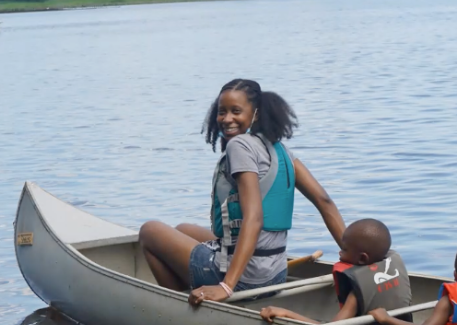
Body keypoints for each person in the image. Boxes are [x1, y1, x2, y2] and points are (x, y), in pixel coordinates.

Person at [139, 79, 346, 306]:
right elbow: (324, 201)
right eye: (222, 112)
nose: (227, 119)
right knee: (183, 230)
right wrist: (350, 255)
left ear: (255, 114)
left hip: (249, 279)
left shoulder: (239, 146)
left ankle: (186, 309)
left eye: (236, 111)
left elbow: (254, 218)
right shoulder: (280, 150)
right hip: (276, 273)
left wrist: (226, 286)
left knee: (149, 231)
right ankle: (197, 291)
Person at [260, 218, 412, 325]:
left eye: (344, 250)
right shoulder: (392, 269)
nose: (340, 253)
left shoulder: (356, 295)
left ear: (363, 259)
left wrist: (286, 313)